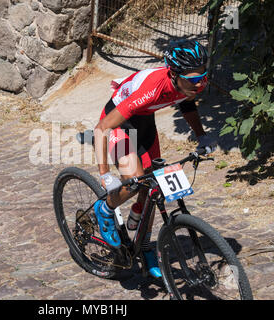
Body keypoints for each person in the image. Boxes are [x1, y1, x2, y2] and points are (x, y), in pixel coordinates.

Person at [93, 39, 217, 278]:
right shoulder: (152, 88)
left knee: (154, 186)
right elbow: (102, 128)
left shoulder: (192, 82)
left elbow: (187, 105)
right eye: (193, 80)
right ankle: (106, 209)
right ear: (174, 74)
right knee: (135, 180)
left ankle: (146, 246)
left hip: (145, 121)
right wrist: (104, 174)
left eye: (203, 76)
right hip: (120, 122)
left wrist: (201, 137)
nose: (200, 83)